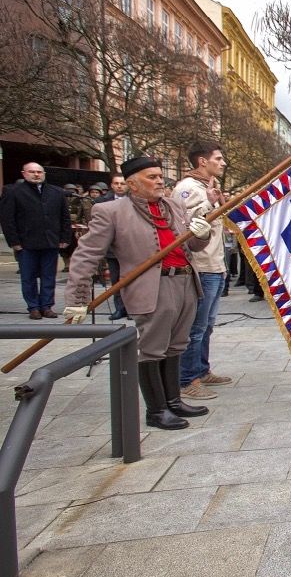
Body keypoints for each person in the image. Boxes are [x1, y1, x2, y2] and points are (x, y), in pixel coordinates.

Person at [63, 155, 214, 430]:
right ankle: (156, 410)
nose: (160, 181)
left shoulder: (173, 205)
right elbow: (87, 255)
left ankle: (173, 401)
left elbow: (191, 247)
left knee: (177, 344)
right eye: (152, 177)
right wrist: (77, 299)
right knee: (153, 348)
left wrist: (201, 234)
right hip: (151, 287)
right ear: (132, 184)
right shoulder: (111, 211)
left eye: (160, 176)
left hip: (185, 282)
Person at [175, 141, 232, 401]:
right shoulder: (187, 188)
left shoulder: (207, 187)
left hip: (215, 264)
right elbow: (185, 226)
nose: (222, 163)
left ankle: (202, 369)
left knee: (207, 325)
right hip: (200, 266)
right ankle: (187, 379)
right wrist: (209, 205)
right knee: (196, 327)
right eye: (218, 159)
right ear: (202, 161)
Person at [0, 162, 72, 319]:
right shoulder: (13, 192)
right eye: (32, 172)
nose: (36, 174)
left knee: (48, 276)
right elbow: (7, 219)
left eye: (39, 172)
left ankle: (46, 306)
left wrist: (65, 237)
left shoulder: (56, 192)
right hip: (26, 243)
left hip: (50, 241)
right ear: (24, 174)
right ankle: (33, 307)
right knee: (28, 277)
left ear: (44, 173)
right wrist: (14, 241)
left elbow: (64, 217)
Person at [94, 174, 129, 319]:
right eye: (116, 183)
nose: (119, 186)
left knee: (131, 281)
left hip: (131, 250)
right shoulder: (101, 202)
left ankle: (132, 309)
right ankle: (119, 308)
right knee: (116, 281)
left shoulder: (136, 201)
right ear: (112, 185)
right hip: (112, 250)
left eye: (122, 183)